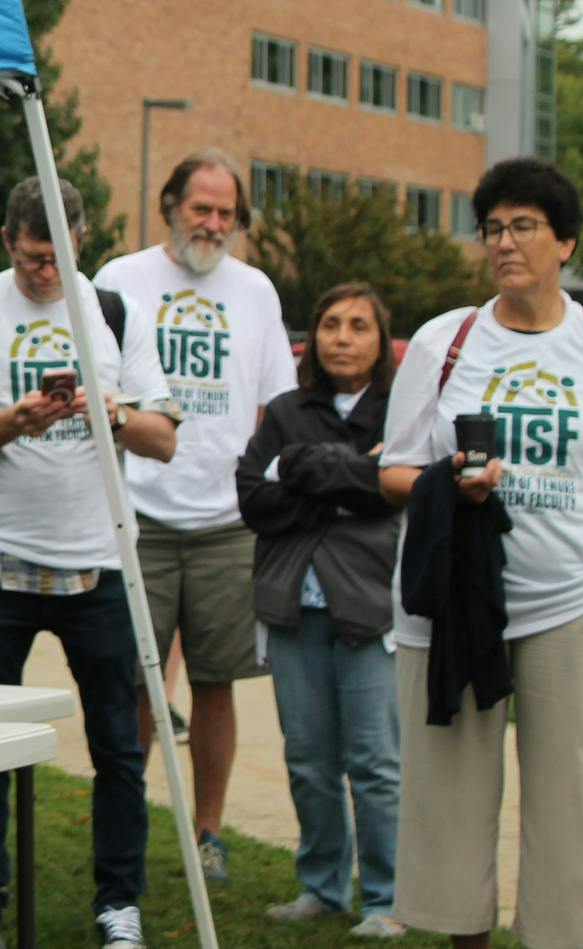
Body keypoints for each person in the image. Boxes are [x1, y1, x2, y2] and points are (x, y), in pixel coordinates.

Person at [0, 176, 178, 949]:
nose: (48, 271)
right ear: (7, 241)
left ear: (83, 239)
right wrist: (17, 420)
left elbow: (163, 435)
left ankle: (119, 901)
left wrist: (112, 411)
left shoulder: (113, 311)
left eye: (61, 255)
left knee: (116, 743)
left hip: (99, 565)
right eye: (35, 257)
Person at [379, 158, 583, 949]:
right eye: (493, 228)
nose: (505, 243)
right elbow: (393, 470)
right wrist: (452, 485)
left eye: (525, 226)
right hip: (456, 599)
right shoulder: (448, 341)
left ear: (566, 242)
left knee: (574, 805)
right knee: (448, 799)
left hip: (572, 602)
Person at [94, 148, 296, 881]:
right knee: (142, 681)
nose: (212, 223)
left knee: (214, 683)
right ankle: (136, 822)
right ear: (169, 206)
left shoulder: (257, 290)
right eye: (200, 208)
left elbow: (276, 402)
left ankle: (207, 831)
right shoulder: (120, 279)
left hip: (225, 521)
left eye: (226, 212)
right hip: (138, 517)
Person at [237, 282, 403, 939]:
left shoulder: (401, 411)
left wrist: (304, 473)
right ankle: (323, 885)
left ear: (380, 340)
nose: (342, 336)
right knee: (308, 756)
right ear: (314, 337)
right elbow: (254, 498)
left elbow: (399, 491)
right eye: (331, 323)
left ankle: (388, 895)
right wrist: (347, 480)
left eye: (359, 325)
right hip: (293, 607)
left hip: (368, 606)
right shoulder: (284, 410)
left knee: (373, 759)